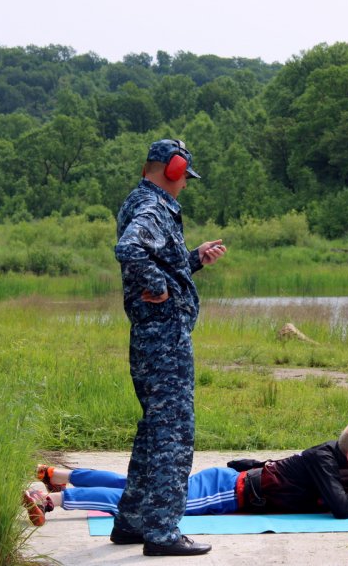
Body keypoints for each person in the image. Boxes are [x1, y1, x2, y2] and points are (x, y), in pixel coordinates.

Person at [111, 138, 226, 557]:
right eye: (184, 177)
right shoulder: (154, 206)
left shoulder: (142, 201)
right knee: (173, 436)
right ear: (173, 170)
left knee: (152, 433)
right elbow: (130, 248)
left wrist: (192, 259)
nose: (185, 185)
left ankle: (132, 522)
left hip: (154, 338)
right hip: (163, 340)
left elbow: (155, 255)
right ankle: (162, 532)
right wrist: (156, 286)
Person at [22, 424, 348, 526]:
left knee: (143, 487)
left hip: (227, 486)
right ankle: (53, 500)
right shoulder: (323, 460)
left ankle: (59, 476)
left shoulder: (346, 469)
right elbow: (347, 509)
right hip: (227, 493)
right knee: (151, 501)